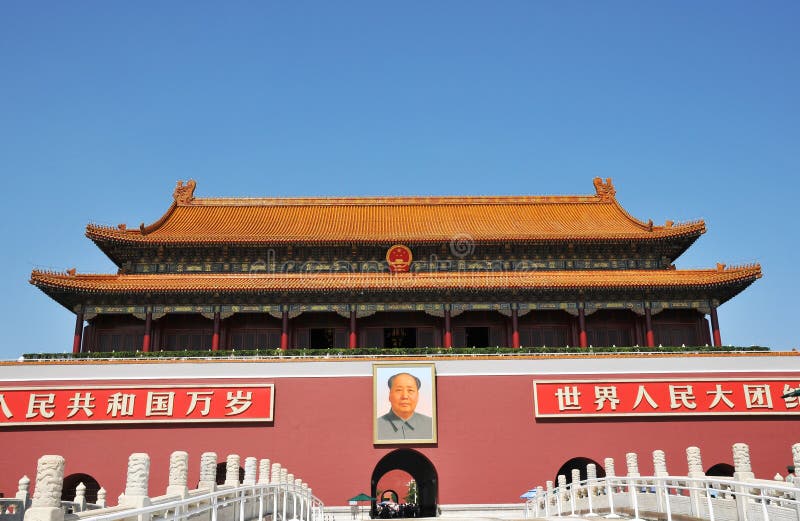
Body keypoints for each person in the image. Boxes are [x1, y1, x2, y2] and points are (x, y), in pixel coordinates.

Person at [376, 372, 433, 440]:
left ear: (418, 396)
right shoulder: (376, 427)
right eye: (399, 390)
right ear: (390, 395)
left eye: (410, 390)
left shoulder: (431, 425)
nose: (405, 396)